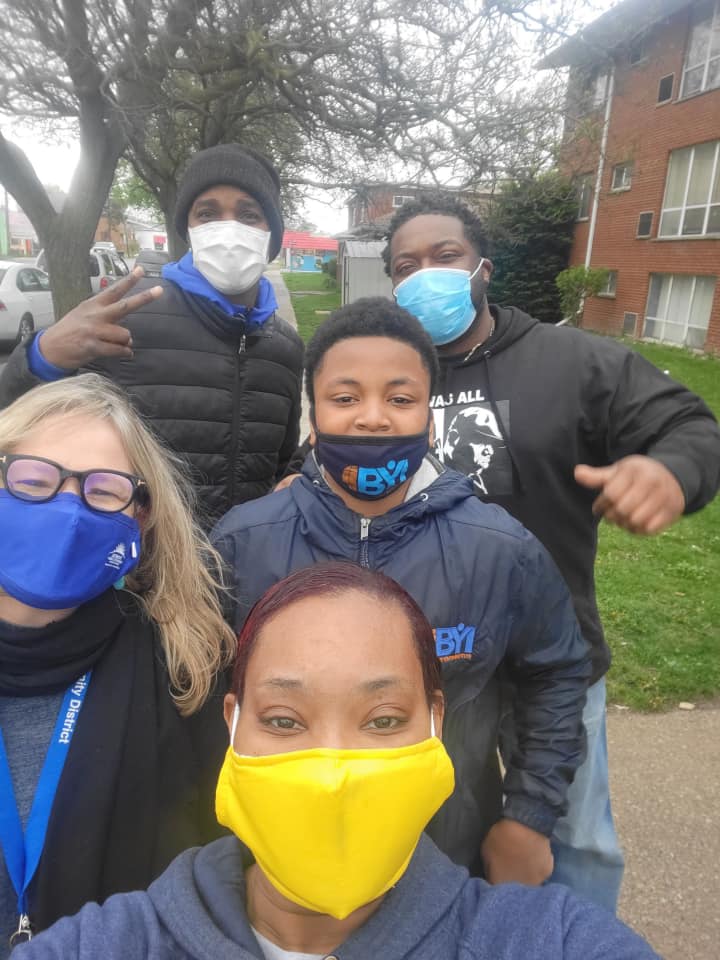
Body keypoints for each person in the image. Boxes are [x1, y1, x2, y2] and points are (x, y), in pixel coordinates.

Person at [12, 564, 659, 960]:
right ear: (232, 724)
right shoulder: (106, 945)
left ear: (436, 722)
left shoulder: (552, 942)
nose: (331, 770)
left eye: (382, 720)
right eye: (284, 720)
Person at [380, 192, 720, 912]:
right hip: (426, 662)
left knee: (575, 841)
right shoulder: (387, 375)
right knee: (428, 834)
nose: (425, 274)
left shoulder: (571, 361)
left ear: (483, 268)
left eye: (445, 256)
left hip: (552, 661)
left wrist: (669, 471)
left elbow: (690, 427)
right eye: (406, 266)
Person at [211, 299, 592, 887]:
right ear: (312, 421)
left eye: (400, 399)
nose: (373, 419)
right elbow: (199, 699)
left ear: (430, 421)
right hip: (273, 860)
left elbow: (556, 674)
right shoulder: (242, 543)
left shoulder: (500, 549)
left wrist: (530, 817)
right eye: (345, 398)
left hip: (445, 855)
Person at [0, 374, 236, 951]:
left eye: (103, 491)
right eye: (32, 480)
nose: (68, 509)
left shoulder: (184, 667)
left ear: (141, 519)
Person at [0, 144, 304, 528]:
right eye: (207, 214)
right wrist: (42, 358)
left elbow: (280, 467)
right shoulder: (124, 318)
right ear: (188, 229)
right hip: (140, 559)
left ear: (272, 233)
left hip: (247, 559)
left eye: (249, 215)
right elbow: (20, 435)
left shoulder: (286, 347)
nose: (229, 229)